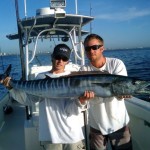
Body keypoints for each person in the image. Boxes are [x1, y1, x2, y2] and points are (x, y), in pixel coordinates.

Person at [1, 44, 86, 150]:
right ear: (52, 56)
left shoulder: (74, 78)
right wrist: (10, 87)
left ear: (68, 61)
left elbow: (75, 108)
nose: (60, 61)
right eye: (57, 57)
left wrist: (82, 100)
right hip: (50, 135)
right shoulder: (41, 77)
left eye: (64, 58)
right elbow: (29, 100)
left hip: (73, 134)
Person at [79, 34, 132, 150]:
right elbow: (81, 100)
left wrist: (124, 93)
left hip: (119, 123)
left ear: (102, 48)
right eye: (87, 48)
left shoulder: (116, 64)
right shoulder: (83, 70)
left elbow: (121, 88)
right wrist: (83, 99)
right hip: (96, 125)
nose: (91, 51)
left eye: (94, 47)